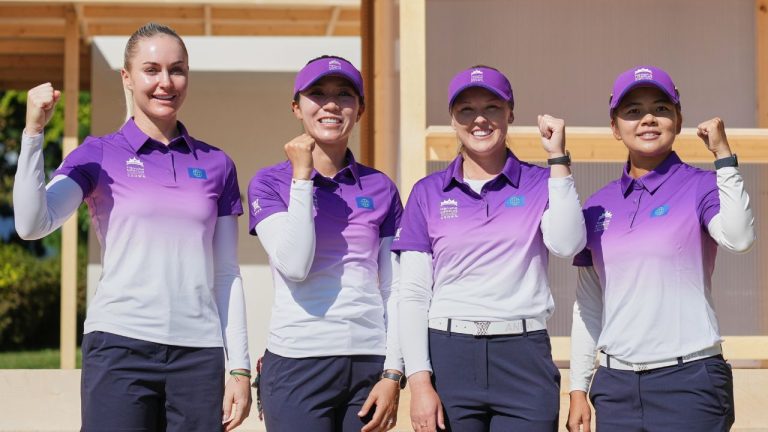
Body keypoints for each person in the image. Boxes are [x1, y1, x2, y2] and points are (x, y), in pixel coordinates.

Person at [13, 23, 252, 431]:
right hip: (119, 346)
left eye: (177, 70)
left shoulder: (218, 165)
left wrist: (240, 368)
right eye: (151, 69)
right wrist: (33, 133)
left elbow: (226, 274)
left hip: (198, 353)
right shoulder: (97, 154)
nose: (166, 82)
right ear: (127, 77)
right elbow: (33, 223)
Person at [393, 65, 587, 432]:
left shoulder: (541, 181)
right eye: (466, 110)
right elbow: (414, 294)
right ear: (452, 119)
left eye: (492, 108)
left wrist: (558, 158)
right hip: (449, 354)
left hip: (523, 355)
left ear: (510, 113)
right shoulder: (427, 192)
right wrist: (419, 382)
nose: (479, 119)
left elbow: (568, 244)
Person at [567, 65, 756, 432]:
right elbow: (588, 305)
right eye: (633, 111)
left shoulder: (701, 186)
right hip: (616, 388)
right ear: (614, 127)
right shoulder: (596, 206)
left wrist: (723, 157)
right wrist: (577, 388)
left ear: (678, 120)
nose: (648, 119)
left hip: (690, 385)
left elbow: (739, 238)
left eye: (661, 108)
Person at [247, 55, 403, 432]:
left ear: (360, 109)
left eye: (344, 95)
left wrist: (393, 371)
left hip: (368, 362)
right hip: (296, 361)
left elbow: (394, 289)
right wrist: (302, 178)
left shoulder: (381, 188)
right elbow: (295, 264)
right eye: (317, 93)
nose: (332, 104)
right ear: (297, 107)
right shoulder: (269, 183)